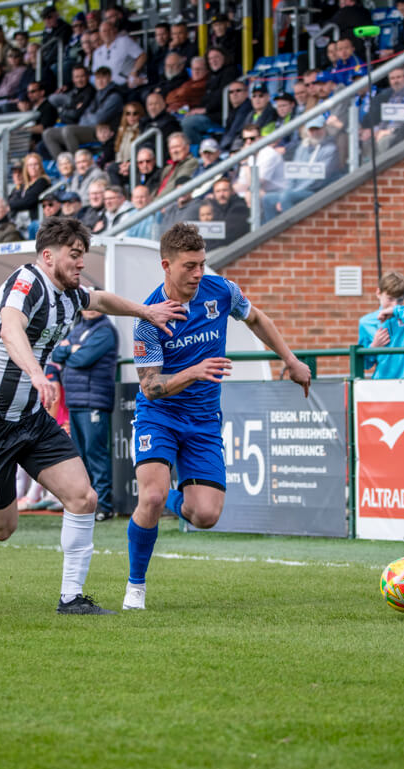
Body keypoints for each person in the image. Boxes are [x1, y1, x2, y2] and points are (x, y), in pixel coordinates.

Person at [0, 216, 187, 615]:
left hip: (31, 418)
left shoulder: (70, 294)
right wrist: (37, 373)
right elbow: (12, 329)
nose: (81, 263)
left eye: (84, 255)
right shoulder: (27, 282)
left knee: (83, 497)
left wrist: (145, 312)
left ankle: (71, 597)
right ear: (48, 256)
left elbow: (100, 300)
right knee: (1, 529)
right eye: (75, 255)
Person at [124, 223, 311, 611]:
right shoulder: (148, 317)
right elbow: (149, 387)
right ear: (166, 265)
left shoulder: (221, 290)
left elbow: (256, 318)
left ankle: (165, 503)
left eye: (202, 264)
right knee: (153, 495)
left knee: (205, 514)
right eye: (190, 266)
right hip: (159, 415)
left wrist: (290, 360)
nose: (198, 273)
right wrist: (194, 371)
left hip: (204, 420)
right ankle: (135, 589)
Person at [50, 298, 119, 522]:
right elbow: (57, 354)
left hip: (94, 401)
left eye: (94, 305)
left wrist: (70, 349)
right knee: (80, 456)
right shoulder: (77, 328)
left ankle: (104, 506)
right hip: (75, 401)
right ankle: (85, 503)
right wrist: (71, 348)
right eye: (87, 305)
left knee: (95, 453)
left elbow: (82, 359)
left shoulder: (106, 331)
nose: (89, 310)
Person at [357, 270, 404, 379]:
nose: (395, 304)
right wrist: (373, 347)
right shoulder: (366, 322)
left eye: (400, 300)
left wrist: (397, 311)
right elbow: (365, 365)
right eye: (390, 299)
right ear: (378, 293)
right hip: (384, 384)